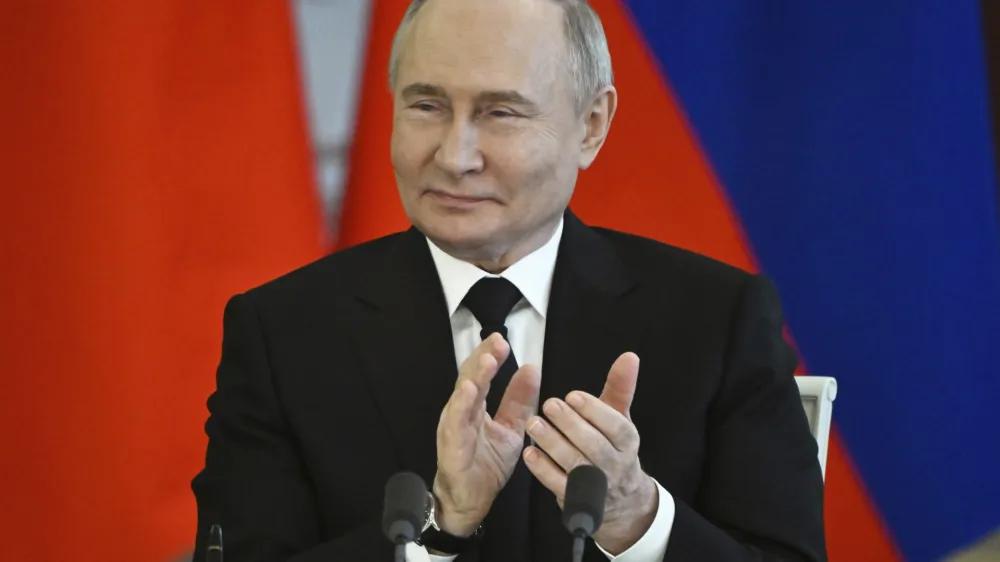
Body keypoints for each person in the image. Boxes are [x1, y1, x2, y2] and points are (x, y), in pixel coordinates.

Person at [191, 0, 827, 560]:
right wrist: (438, 530)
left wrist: (637, 519)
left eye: (500, 112)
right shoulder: (285, 333)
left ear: (591, 126)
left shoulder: (715, 319)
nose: (454, 155)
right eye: (426, 105)